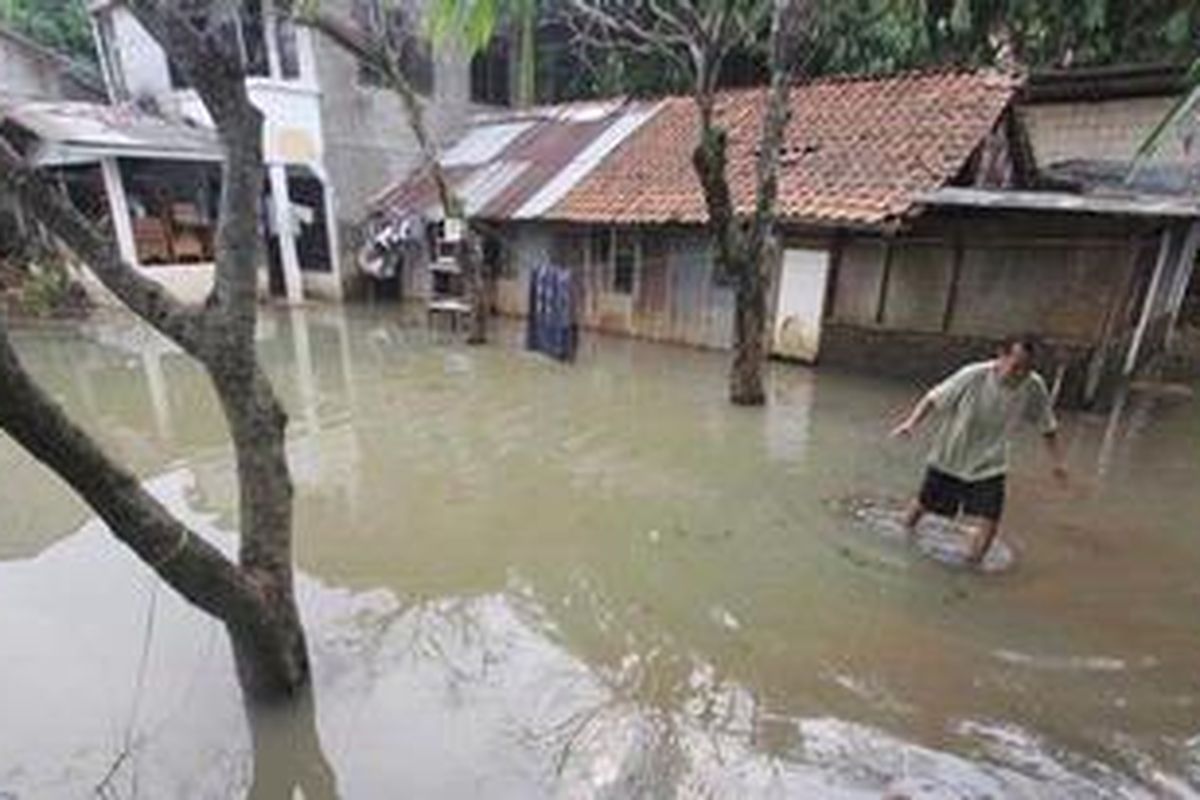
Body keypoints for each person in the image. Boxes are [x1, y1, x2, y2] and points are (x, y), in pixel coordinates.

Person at [891, 335, 1068, 566]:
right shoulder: (973, 375)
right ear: (1000, 356)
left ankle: (971, 565)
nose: (1020, 374)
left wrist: (1057, 462)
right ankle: (902, 537)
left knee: (990, 519)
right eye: (1016, 367)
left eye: (1027, 368)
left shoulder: (1033, 385)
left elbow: (1047, 424)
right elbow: (933, 397)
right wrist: (911, 423)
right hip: (951, 456)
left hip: (990, 462)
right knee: (924, 504)